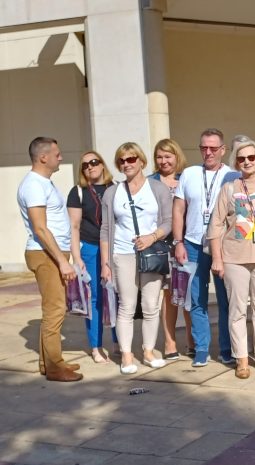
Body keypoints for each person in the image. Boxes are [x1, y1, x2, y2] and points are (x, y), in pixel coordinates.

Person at [208, 139, 255, 379]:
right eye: (241, 158)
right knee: (237, 310)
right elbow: (216, 225)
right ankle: (241, 360)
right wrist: (217, 259)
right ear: (236, 162)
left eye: (251, 157)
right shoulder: (229, 188)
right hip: (234, 258)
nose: (247, 162)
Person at [100, 142, 173, 374]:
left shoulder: (157, 188)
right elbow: (105, 229)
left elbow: (168, 222)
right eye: (122, 160)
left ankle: (149, 351)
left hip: (151, 252)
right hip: (122, 253)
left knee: (151, 305)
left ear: (141, 161)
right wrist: (105, 263)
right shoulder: (112, 193)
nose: (126, 164)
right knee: (127, 306)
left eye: (131, 159)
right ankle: (127, 355)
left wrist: (152, 237)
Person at [17, 137, 82, 382]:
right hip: (45, 254)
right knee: (54, 309)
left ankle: (51, 362)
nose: (61, 157)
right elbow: (40, 228)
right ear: (43, 157)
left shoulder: (44, 182)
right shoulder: (34, 185)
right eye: (57, 153)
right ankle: (55, 368)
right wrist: (62, 261)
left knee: (56, 308)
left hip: (52, 253)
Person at [173, 128, 235, 367]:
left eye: (213, 148)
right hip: (192, 243)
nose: (208, 152)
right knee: (196, 298)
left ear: (223, 150)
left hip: (222, 245)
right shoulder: (189, 174)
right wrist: (178, 242)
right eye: (203, 148)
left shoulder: (232, 176)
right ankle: (201, 348)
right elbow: (178, 210)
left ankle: (227, 348)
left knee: (225, 299)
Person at [68, 150, 118, 363]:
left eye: (94, 162)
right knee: (95, 299)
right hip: (90, 249)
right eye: (85, 165)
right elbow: (74, 226)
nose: (90, 167)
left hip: (115, 249)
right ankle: (96, 346)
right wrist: (76, 257)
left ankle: (118, 343)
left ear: (102, 164)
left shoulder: (115, 188)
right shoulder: (78, 192)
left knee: (118, 296)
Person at [149, 138, 193, 360]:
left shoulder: (187, 178)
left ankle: (192, 340)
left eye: (168, 156)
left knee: (189, 295)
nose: (164, 161)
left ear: (177, 157)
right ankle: (169, 342)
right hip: (161, 245)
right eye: (159, 156)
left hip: (187, 244)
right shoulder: (149, 182)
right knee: (169, 296)